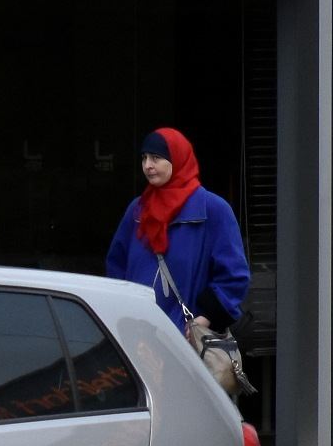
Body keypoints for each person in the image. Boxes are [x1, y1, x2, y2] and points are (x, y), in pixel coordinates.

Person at [104, 127, 250, 359]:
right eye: (144, 158)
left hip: (186, 342)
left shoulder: (212, 209)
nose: (147, 165)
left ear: (177, 159)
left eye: (156, 158)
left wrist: (202, 321)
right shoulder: (138, 209)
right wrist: (124, 317)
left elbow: (234, 276)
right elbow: (116, 266)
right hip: (139, 340)